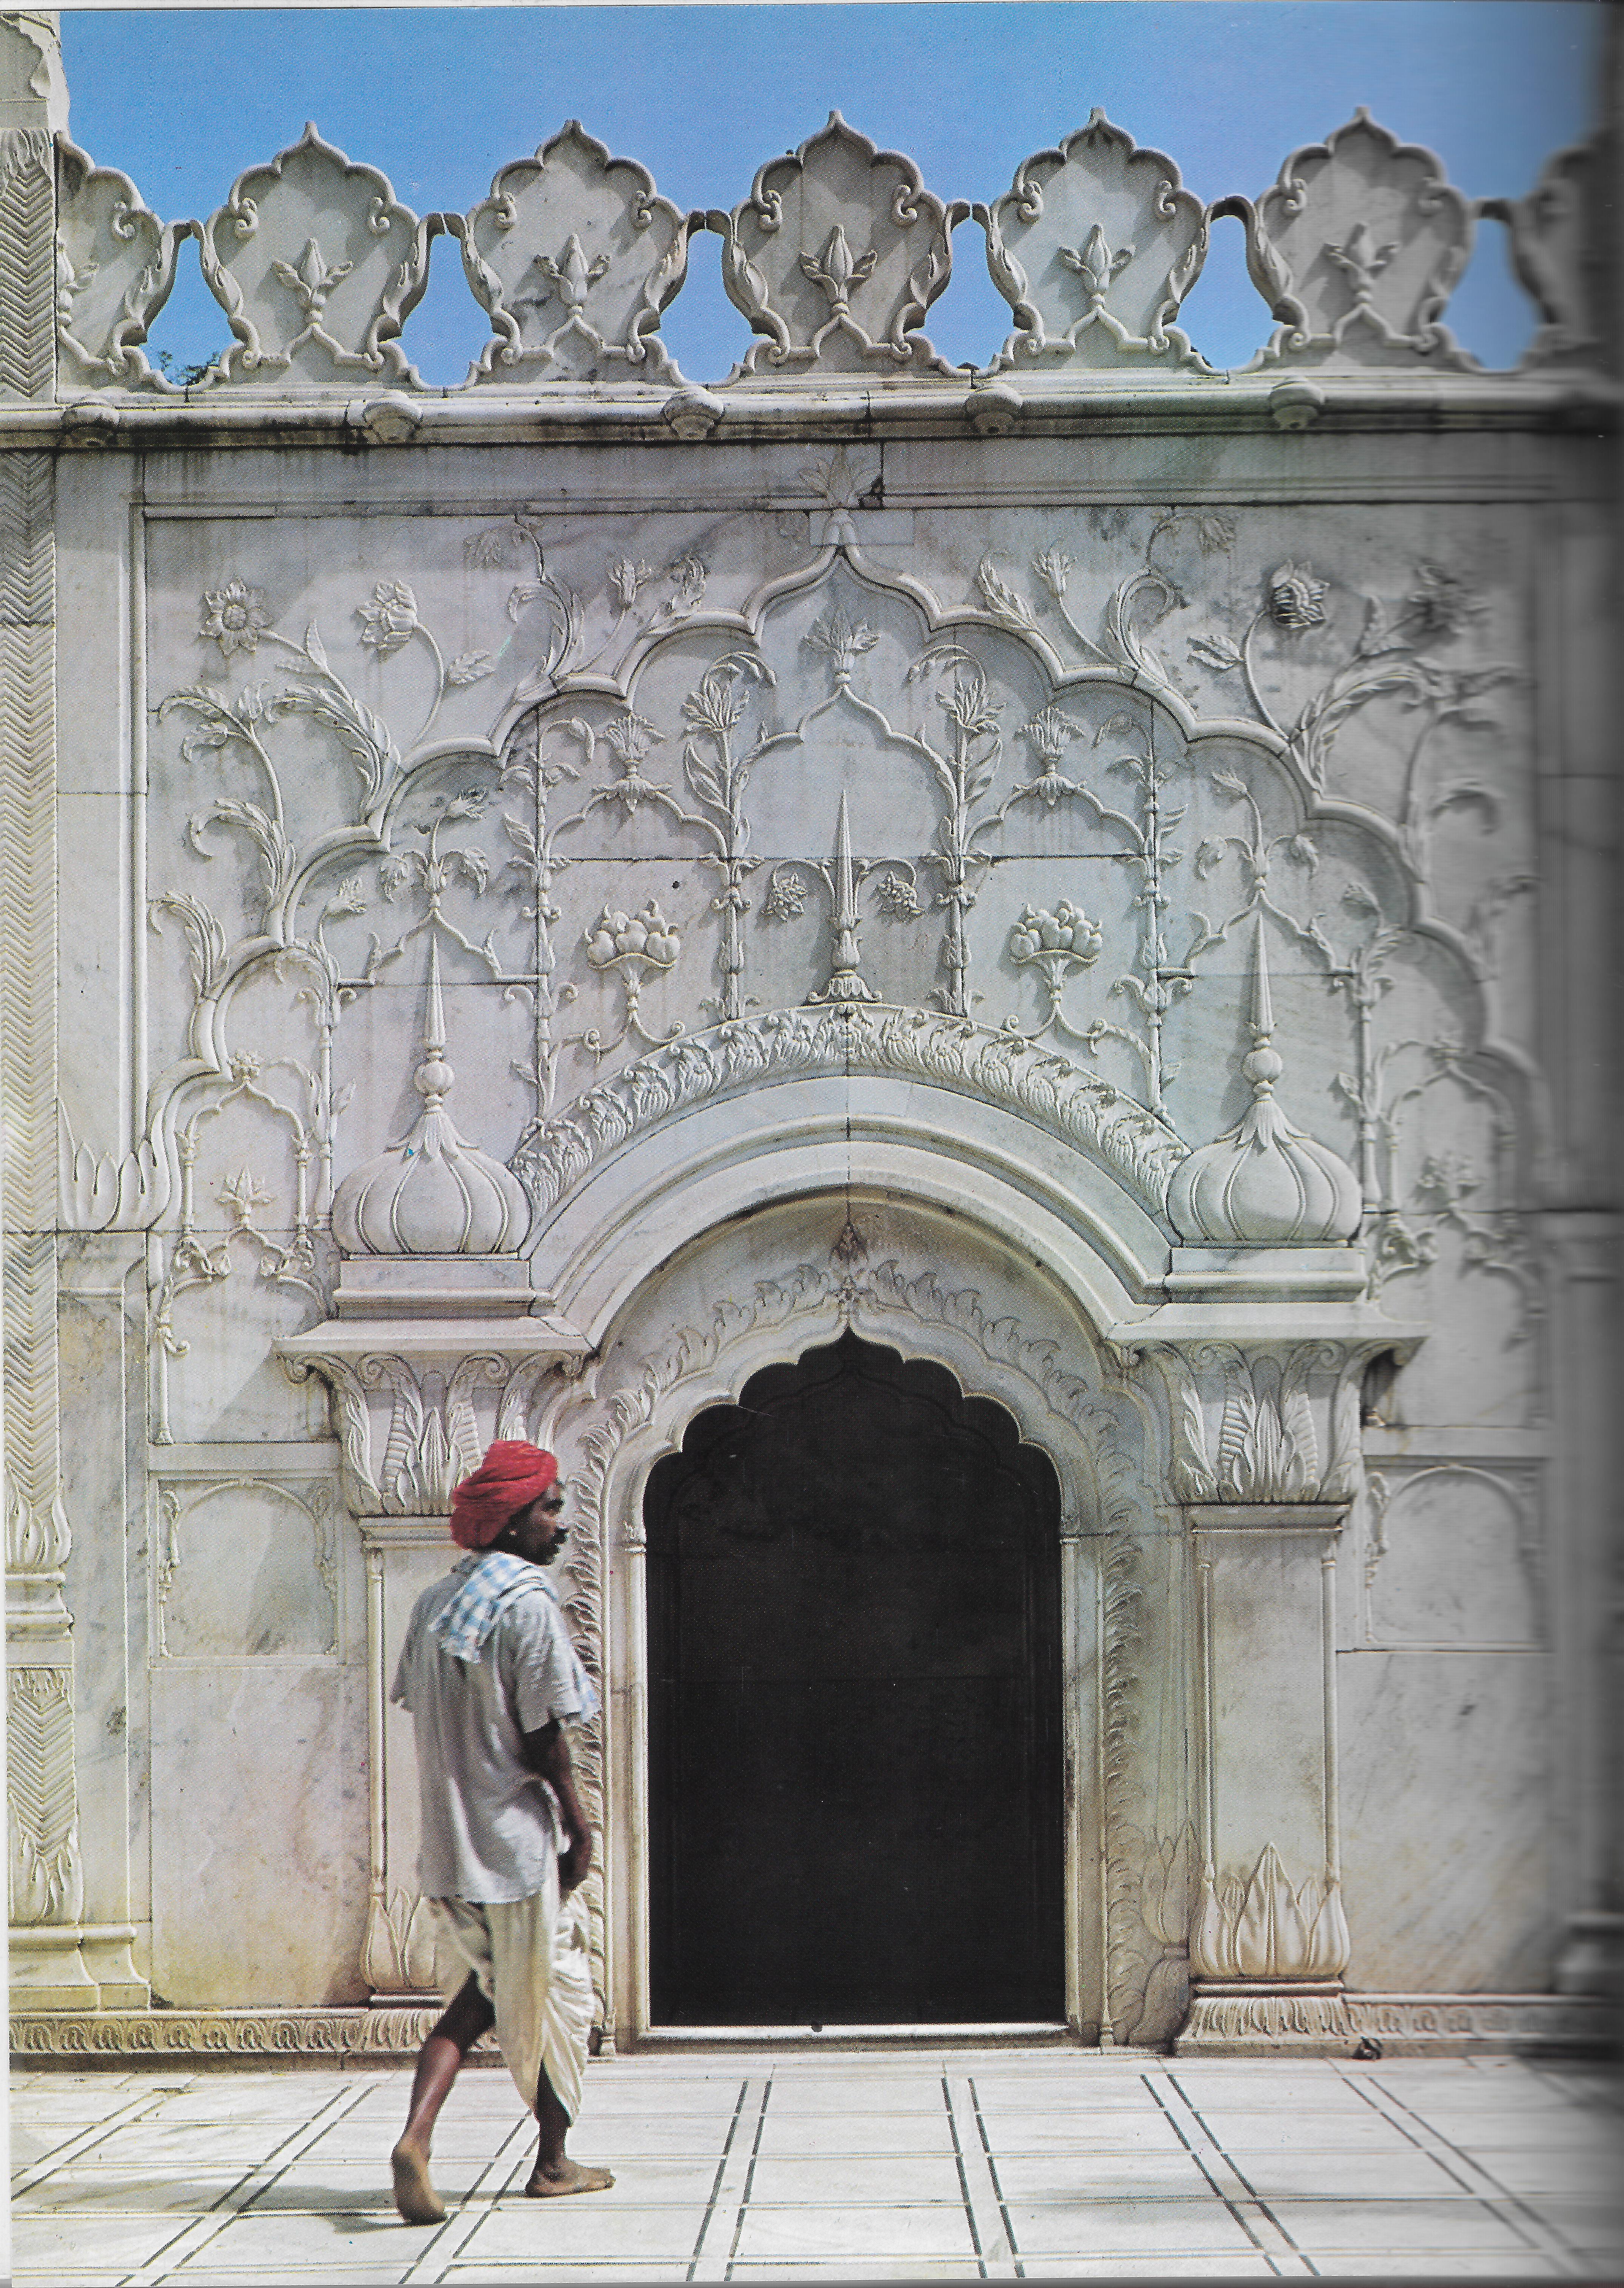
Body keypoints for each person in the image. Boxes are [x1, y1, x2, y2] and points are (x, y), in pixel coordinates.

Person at [388, 1439, 614, 2223]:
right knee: (555, 1995)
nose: (560, 1525)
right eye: (548, 1509)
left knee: (484, 1996)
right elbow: (544, 1734)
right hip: (514, 1846)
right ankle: (552, 2164)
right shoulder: (526, 1605)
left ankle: (417, 2137)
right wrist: (577, 1823)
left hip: (451, 1848)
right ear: (512, 1522)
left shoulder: (434, 1605)